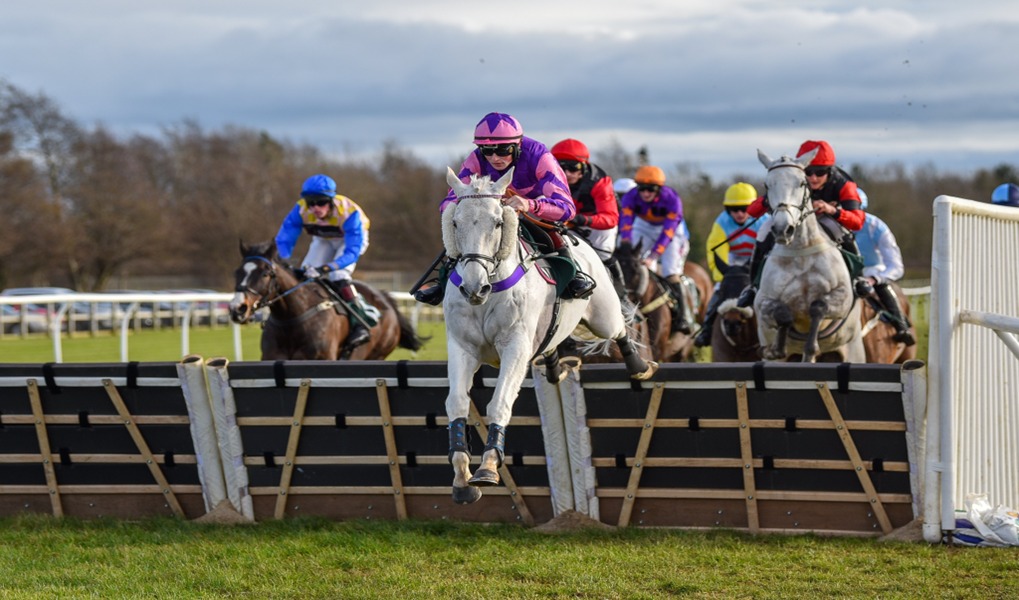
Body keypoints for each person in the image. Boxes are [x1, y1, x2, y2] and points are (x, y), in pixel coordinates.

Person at [412, 112, 595, 306]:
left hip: (536, 207)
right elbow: (448, 202)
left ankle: (574, 273)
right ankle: (443, 278)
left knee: (547, 227)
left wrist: (530, 204)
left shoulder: (539, 155)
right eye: (487, 151)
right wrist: (466, 207)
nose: (494, 157)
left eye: (502, 150)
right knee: (467, 226)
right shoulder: (475, 159)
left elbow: (567, 208)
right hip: (496, 211)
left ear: (517, 145)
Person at [737, 139, 871, 308]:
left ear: (829, 171)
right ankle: (753, 287)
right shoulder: (793, 178)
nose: (813, 178)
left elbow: (857, 221)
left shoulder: (844, 184)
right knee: (764, 231)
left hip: (827, 218)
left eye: (820, 172)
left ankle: (858, 277)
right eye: (809, 172)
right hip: (794, 218)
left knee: (842, 232)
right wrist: (771, 199)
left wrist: (832, 210)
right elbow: (751, 211)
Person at [275, 174, 376, 348]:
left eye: (321, 202)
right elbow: (285, 239)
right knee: (307, 271)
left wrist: (328, 267)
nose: (315, 208)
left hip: (349, 241)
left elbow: (352, 252)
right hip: (323, 239)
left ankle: (360, 323)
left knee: (337, 274)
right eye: (310, 203)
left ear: (331, 201)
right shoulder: (300, 209)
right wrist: (284, 260)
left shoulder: (349, 213)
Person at [618, 165, 694, 334]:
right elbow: (626, 222)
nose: (645, 193)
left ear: (659, 189)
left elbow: (668, 232)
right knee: (625, 256)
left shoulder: (672, 199)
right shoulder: (630, 196)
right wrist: (625, 245)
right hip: (644, 226)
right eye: (642, 189)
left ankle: (683, 317)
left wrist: (653, 256)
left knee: (670, 271)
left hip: (671, 232)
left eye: (650, 189)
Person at [693, 182, 770, 347]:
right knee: (719, 290)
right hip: (733, 260)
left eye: (745, 208)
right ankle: (707, 329)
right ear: (728, 210)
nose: (740, 214)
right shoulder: (721, 222)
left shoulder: (765, 221)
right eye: (735, 210)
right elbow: (714, 250)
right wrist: (725, 277)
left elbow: (770, 250)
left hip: (758, 258)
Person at [550, 138, 625, 299]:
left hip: (597, 224)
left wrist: (582, 220)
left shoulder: (600, 182)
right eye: (562, 168)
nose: (567, 173)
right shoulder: (549, 177)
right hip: (568, 220)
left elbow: (610, 219)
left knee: (603, 255)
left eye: (573, 167)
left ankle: (621, 299)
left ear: (583, 167)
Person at [854, 188, 916, 345]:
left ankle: (901, 326)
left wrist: (875, 279)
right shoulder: (832, 225)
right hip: (845, 272)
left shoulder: (876, 227)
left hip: (873, 273)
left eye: (854, 209)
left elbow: (896, 266)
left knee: (882, 287)